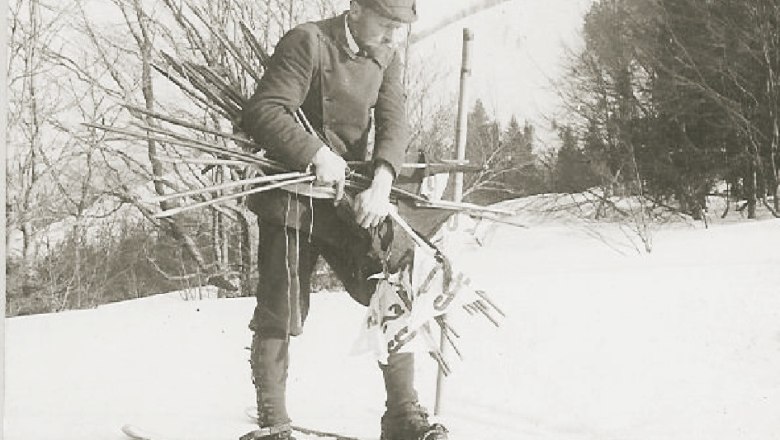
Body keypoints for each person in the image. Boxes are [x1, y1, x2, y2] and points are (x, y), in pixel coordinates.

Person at [239, 1, 448, 440]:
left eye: (400, 28)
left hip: (348, 199)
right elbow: (266, 110)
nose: (393, 37)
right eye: (386, 24)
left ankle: (402, 417)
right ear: (355, 9)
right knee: (283, 305)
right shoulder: (309, 41)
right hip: (293, 198)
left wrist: (384, 179)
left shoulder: (385, 55)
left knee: (395, 284)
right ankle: (273, 423)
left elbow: (393, 122)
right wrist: (315, 154)